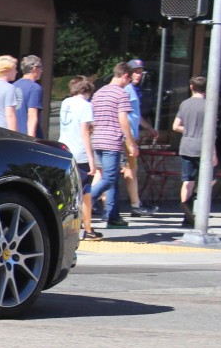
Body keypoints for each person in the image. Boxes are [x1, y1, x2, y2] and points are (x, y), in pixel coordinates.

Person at [89, 63, 135, 229]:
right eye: (129, 79)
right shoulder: (121, 94)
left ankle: (113, 216)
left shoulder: (98, 93)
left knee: (113, 178)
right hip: (111, 141)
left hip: (97, 139)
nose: (129, 83)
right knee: (108, 178)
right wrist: (131, 143)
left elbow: (92, 117)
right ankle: (86, 200)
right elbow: (123, 119)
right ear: (124, 76)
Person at [58, 76, 101, 240]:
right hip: (80, 152)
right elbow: (84, 133)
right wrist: (92, 159)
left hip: (65, 148)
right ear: (87, 90)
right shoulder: (86, 105)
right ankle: (87, 229)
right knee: (85, 192)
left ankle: (71, 225)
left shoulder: (65, 103)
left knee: (69, 191)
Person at [121, 58, 158, 216]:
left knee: (127, 171)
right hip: (126, 137)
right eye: (135, 72)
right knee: (129, 171)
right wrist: (130, 140)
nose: (138, 75)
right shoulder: (127, 89)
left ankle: (134, 204)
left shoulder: (132, 90)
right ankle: (136, 206)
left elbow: (135, 115)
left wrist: (149, 128)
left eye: (140, 72)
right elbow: (123, 116)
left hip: (131, 136)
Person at [172, 76, 209, 228]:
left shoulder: (185, 104)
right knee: (208, 180)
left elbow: (175, 126)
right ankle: (195, 204)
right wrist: (213, 153)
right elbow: (211, 132)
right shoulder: (209, 106)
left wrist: (189, 131)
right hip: (203, 147)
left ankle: (186, 212)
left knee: (187, 181)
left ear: (191, 87)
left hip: (187, 145)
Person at [13, 55, 45, 138]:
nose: (41, 71)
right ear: (35, 68)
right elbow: (32, 115)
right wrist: (31, 139)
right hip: (27, 135)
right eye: (40, 68)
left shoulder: (13, 86)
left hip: (14, 133)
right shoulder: (34, 88)